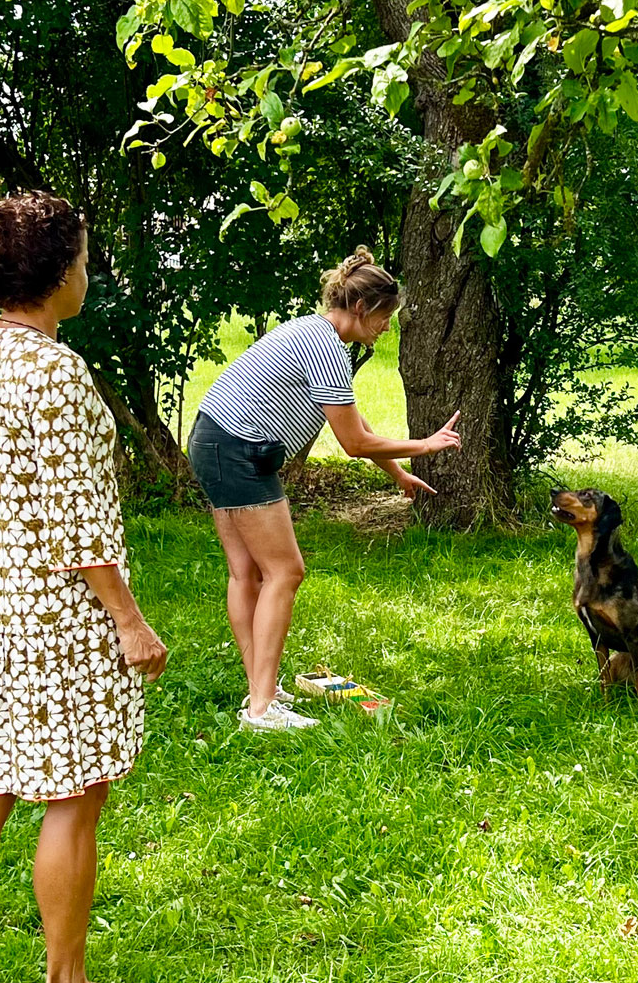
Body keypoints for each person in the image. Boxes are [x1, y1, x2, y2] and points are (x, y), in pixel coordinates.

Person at [0, 191, 168, 983]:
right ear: (58, 272)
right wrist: (129, 621)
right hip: (58, 614)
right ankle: (68, 977)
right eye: (85, 259)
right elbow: (78, 523)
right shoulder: (54, 374)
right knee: (74, 794)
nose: (88, 273)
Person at [188, 245, 461, 731]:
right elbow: (354, 442)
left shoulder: (312, 333)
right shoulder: (327, 345)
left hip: (212, 440)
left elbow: (353, 421)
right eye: (384, 317)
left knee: (246, 573)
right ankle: (261, 707)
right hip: (239, 452)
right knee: (285, 571)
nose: (386, 327)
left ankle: (260, 691)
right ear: (361, 308)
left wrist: (396, 472)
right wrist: (424, 444)